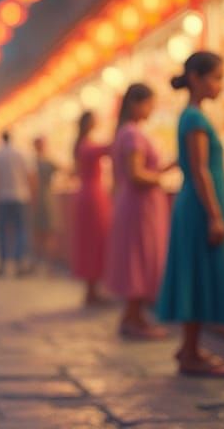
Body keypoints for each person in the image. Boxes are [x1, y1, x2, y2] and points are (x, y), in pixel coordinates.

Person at [156, 51, 224, 377]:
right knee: (197, 272)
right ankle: (190, 351)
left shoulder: (193, 116)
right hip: (199, 204)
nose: (220, 84)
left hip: (197, 203)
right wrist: (215, 215)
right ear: (196, 78)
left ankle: (190, 347)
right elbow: (200, 169)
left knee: (197, 272)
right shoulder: (194, 118)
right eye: (216, 77)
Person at [105, 83, 172, 339]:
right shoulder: (132, 134)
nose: (152, 109)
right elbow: (136, 174)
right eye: (150, 104)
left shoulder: (124, 132)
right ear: (136, 103)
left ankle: (135, 316)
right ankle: (133, 317)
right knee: (140, 257)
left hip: (134, 204)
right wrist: (162, 175)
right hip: (139, 206)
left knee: (138, 256)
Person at [71, 111, 111, 305]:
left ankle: (92, 289)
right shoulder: (87, 145)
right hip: (93, 196)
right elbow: (108, 148)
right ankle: (92, 289)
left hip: (87, 194)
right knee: (94, 241)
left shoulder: (81, 144)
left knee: (91, 241)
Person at [0, 130, 33, 276]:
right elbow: (30, 175)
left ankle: (3, 264)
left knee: (2, 231)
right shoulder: (21, 154)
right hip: (20, 196)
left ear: (1, 139)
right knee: (20, 230)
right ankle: (19, 263)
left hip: (1, 197)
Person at [31, 136, 58, 271]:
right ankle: (48, 265)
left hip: (40, 199)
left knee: (41, 233)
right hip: (45, 198)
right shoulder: (45, 161)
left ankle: (42, 264)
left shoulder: (35, 162)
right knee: (46, 233)